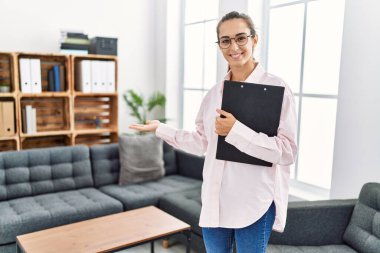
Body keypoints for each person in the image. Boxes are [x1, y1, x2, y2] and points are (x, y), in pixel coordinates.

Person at [129, 11, 297, 253]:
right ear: (219, 46)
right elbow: (201, 142)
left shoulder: (277, 89)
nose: (234, 46)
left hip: (254, 203)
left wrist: (236, 131)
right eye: (226, 40)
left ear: (254, 40)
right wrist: (161, 129)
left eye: (241, 38)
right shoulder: (213, 95)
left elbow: (287, 152)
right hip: (215, 201)